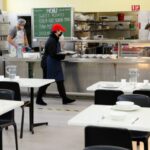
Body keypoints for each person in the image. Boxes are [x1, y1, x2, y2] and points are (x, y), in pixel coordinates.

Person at [36, 23, 76, 105]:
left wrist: (63, 53)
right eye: (61, 31)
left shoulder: (55, 39)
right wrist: (64, 55)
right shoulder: (51, 40)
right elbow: (53, 54)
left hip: (54, 63)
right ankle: (38, 99)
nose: (62, 33)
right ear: (56, 31)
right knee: (46, 81)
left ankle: (64, 99)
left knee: (60, 80)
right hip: (48, 64)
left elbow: (55, 52)